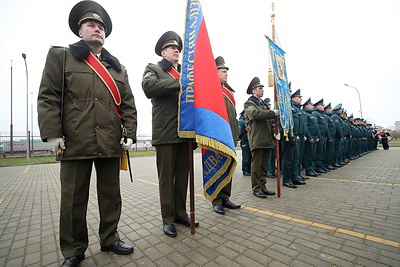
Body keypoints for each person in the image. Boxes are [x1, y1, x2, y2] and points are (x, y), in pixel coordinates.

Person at [37, 1, 137, 266]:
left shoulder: (118, 68)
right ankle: (73, 250)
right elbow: (48, 96)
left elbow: (128, 104)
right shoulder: (61, 56)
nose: (97, 29)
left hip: (109, 141)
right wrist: (51, 133)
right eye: (91, 25)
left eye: (101, 26)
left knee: (111, 195)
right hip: (74, 140)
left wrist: (130, 133)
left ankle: (110, 238)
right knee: (72, 201)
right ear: (79, 31)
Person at [142, 31, 198, 238]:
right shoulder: (154, 69)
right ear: (163, 52)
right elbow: (149, 88)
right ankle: (167, 219)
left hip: (185, 134)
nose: (177, 51)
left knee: (183, 177)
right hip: (165, 133)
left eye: (178, 49)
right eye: (172, 48)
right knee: (167, 179)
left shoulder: (186, 72)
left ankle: (180, 214)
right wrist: (181, 83)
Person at [211, 56, 241, 215]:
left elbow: (233, 115)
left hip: (230, 135)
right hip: (217, 136)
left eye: (226, 71)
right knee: (217, 167)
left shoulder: (228, 91)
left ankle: (225, 197)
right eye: (223, 71)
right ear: (214, 72)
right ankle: (216, 200)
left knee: (228, 167)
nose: (226, 74)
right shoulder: (210, 89)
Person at [244, 77, 278, 198]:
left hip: (267, 138)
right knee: (257, 166)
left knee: (264, 165)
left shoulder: (263, 104)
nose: (262, 90)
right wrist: (273, 113)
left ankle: (263, 186)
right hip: (257, 139)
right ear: (254, 91)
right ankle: (256, 188)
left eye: (262, 88)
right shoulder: (249, 104)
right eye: (259, 88)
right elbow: (255, 114)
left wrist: (275, 131)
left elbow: (269, 120)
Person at [280, 89, 306, 188]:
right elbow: (281, 121)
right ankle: (286, 180)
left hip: (293, 135)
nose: (290, 93)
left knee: (294, 158)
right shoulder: (284, 106)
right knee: (287, 159)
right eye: (289, 91)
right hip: (287, 136)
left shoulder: (291, 106)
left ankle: (294, 177)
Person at [302, 98, 321, 177]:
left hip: (314, 137)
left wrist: (316, 136)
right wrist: (309, 137)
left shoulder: (310, 114)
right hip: (310, 138)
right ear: (306, 106)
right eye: (310, 104)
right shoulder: (305, 114)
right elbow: (305, 127)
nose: (312, 106)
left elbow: (316, 127)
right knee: (308, 155)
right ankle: (308, 170)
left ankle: (312, 169)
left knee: (312, 154)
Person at [238, 111, 252, 176]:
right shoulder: (241, 122)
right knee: (246, 157)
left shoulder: (247, 121)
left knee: (249, 157)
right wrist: (243, 142)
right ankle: (245, 170)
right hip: (245, 142)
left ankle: (249, 170)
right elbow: (241, 133)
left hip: (249, 141)